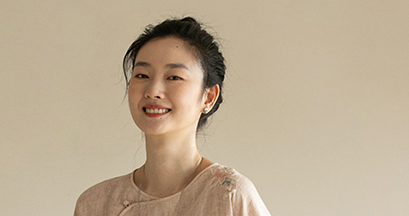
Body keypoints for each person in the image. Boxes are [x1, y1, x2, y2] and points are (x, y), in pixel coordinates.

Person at [73, 17, 272, 216]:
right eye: (142, 75)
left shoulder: (229, 195)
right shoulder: (95, 204)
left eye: (174, 77)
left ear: (209, 97)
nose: (153, 91)